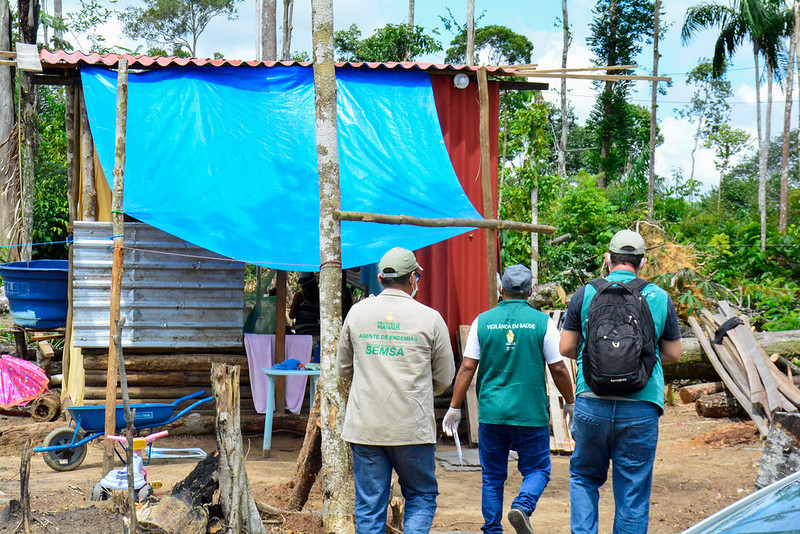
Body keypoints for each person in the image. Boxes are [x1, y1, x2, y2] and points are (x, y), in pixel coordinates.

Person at [559, 229, 682, 534]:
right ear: (643, 262)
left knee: (585, 478)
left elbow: (565, 347)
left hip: (592, 401)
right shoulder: (658, 296)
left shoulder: (585, 293)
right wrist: (642, 358)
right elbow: (674, 353)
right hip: (641, 406)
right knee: (632, 492)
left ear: (607, 259)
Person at [443, 264, 575, 534]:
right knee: (538, 470)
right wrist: (571, 401)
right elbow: (559, 368)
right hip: (530, 414)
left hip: (492, 414)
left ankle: (492, 530)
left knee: (492, 477)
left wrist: (454, 407)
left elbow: (467, 367)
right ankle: (523, 506)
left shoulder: (482, 321)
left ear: (501, 288)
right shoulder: (543, 323)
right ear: (530, 291)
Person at [337, 247, 455, 534]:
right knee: (421, 495)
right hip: (412, 428)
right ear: (414, 277)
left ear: (379, 278)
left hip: (366, 427)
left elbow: (343, 369)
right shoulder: (430, 318)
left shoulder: (357, 313)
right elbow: (444, 377)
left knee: (369, 506)